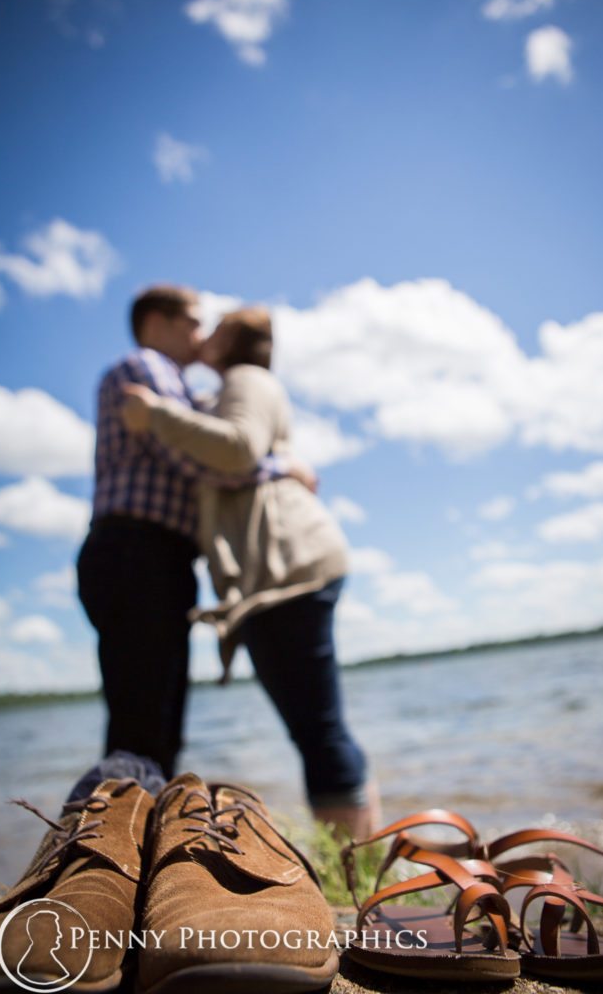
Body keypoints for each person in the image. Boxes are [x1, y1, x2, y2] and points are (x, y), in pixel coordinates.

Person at [122, 307, 377, 838]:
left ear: (233, 340)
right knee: (316, 725)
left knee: (316, 726)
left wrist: (157, 415)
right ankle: (359, 860)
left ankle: (354, 869)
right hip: (280, 572)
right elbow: (240, 456)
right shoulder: (233, 389)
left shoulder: (246, 379)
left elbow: (237, 450)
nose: (202, 335)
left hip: (289, 569)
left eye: (213, 327)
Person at [77, 286, 297, 781]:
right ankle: (110, 848)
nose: (202, 336)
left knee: (154, 721)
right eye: (195, 322)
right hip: (139, 552)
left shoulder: (172, 385)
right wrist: (280, 468)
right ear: (158, 321)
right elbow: (200, 459)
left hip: (150, 555)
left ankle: (133, 844)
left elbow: (202, 431)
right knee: (143, 723)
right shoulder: (146, 368)